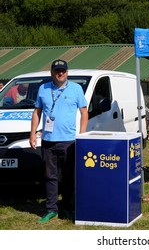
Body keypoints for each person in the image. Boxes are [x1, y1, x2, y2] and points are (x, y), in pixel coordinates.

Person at [30, 59, 88, 223]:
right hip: (48, 140)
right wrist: (33, 134)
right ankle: (51, 209)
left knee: (69, 177)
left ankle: (68, 207)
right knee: (50, 176)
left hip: (69, 141)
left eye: (63, 70)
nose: (60, 73)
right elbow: (37, 112)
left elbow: (84, 112)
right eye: (57, 71)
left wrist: (82, 135)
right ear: (52, 73)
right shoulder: (43, 88)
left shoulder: (76, 89)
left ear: (67, 72)